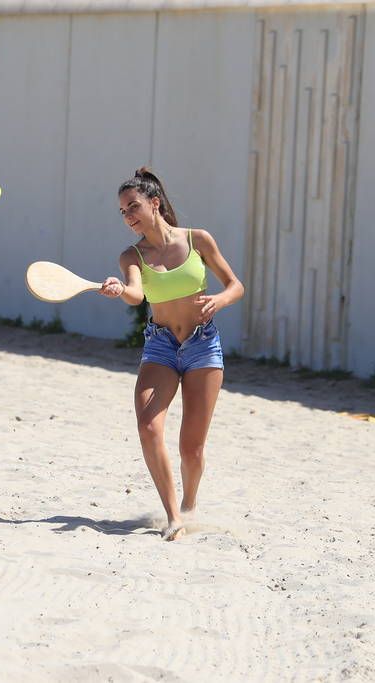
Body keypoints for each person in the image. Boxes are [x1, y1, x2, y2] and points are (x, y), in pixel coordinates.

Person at [100, 168, 244, 541]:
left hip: (202, 345)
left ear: (155, 203)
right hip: (161, 346)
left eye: (133, 206)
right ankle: (173, 516)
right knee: (148, 428)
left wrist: (220, 299)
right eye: (122, 211)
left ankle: (190, 505)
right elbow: (137, 293)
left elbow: (235, 285)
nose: (129, 216)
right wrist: (120, 290)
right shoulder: (132, 255)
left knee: (191, 448)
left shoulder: (198, 240)